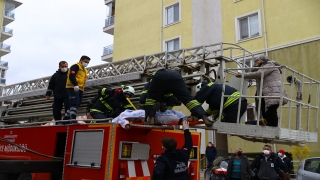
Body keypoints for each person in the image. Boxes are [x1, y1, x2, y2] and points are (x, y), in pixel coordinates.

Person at [144, 69, 213, 127]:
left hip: (160, 76)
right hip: (176, 76)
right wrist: (160, 104)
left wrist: (156, 105)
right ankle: (204, 117)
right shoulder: (170, 88)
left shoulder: (153, 82)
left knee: (150, 99)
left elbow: (149, 97)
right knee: (189, 100)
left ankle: (151, 120)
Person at [236, 55, 288, 127]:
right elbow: (253, 71)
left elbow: (258, 74)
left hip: (273, 91)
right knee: (265, 111)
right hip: (268, 92)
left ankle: (273, 127)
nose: (256, 62)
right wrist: (256, 65)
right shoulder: (262, 67)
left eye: (257, 61)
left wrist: (243, 74)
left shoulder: (269, 65)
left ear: (262, 61)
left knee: (270, 110)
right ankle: (270, 125)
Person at [63, 55, 91, 122]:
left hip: (80, 89)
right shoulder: (75, 66)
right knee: (74, 104)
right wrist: (75, 85)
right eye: (85, 61)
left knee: (76, 104)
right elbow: (71, 75)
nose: (86, 63)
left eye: (88, 62)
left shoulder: (84, 70)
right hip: (72, 88)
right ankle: (73, 119)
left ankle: (65, 119)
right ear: (81, 60)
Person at [112, 109, 198, 129]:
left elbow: (123, 120)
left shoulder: (124, 114)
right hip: (152, 116)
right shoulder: (123, 116)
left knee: (169, 114)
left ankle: (184, 118)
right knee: (168, 117)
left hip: (150, 114)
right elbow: (123, 121)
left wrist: (127, 125)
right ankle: (184, 119)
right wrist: (127, 125)